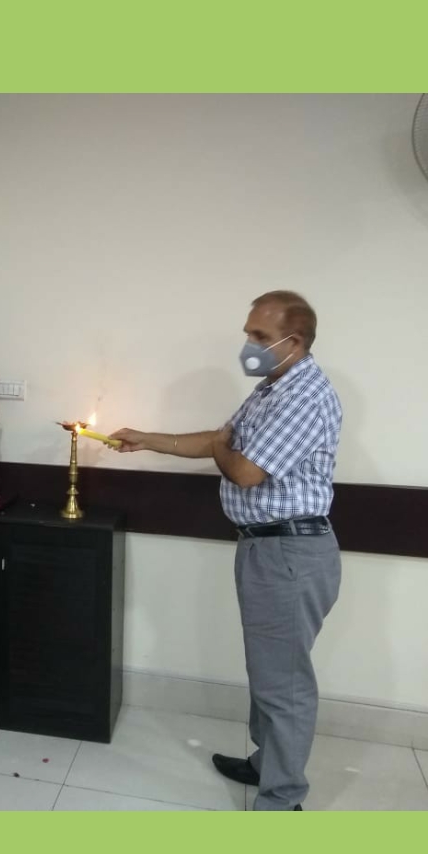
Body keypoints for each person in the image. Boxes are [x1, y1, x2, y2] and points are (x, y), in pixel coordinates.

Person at [110, 291, 342, 811]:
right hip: (268, 549)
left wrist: (221, 447)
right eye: (248, 333)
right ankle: (265, 765)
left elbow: (244, 470)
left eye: (260, 337)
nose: (249, 345)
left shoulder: (304, 396)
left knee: (284, 682)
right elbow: (218, 439)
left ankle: (282, 799)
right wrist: (147, 438)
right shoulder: (272, 388)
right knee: (268, 670)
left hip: (290, 553)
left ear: (294, 342)